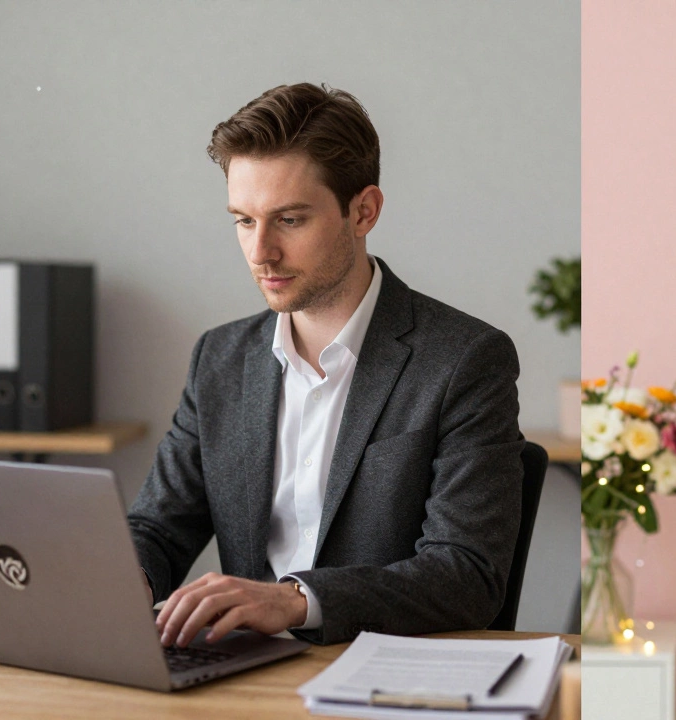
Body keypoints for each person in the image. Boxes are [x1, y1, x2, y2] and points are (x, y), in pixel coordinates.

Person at [128, 83, 524, 648]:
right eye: (243, 220)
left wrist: (293, 600)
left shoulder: (464, 360)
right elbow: (157, 527)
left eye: (289, 220)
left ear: (364, 211)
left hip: (379, 676)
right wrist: (127, 582)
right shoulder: (219, 358)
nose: (261, 252)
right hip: (242, 676)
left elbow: (466, 574)